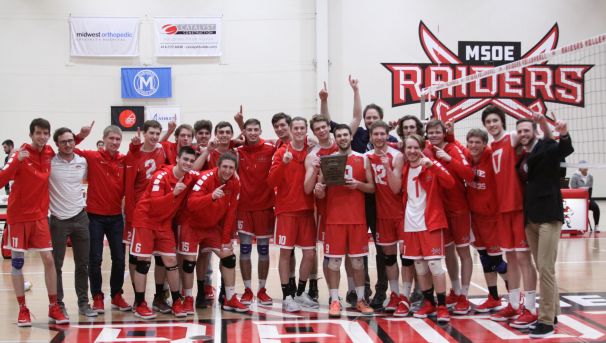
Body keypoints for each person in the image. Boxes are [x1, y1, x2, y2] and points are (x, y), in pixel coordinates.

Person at [0, 118, 68, 326]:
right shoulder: (19, 154)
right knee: (18, 262)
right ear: (31, 134)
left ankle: (53, 306)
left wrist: (80, 136)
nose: (42, 136)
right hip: (18, 218)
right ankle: (23, 309)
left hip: (40, 217)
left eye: (45, 133)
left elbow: (69, 147)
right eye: (38, 133)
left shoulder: (49, 153)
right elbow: (2, 179)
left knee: (49, 260)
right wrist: (16, 161)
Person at [516, 115, 573, 338]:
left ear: (535, 132)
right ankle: (554, 312)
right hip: (531, 218)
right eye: (519, 131)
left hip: (549, 215)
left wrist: (557, 130)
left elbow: (563, 148)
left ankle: (546, 322)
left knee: (546, 268)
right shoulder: (523, 157)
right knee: (543, 268)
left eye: (526, 131)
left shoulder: (546, 148)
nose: (523, 134)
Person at [482, 105, 538, 327]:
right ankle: (514, 304)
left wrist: (538, 125)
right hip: (502, 210)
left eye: (495, 120)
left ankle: (531, 307)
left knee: (524, 258)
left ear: (502, 121)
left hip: (518, 207)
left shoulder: (512, 137)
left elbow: (531, 137)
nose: (492, 124)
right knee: (511, 259)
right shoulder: (491, 145)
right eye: (488, 122)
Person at [130, 146, 199, 319]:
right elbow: (154, 205)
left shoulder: (189, 176)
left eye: (191, 161)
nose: (188, 163)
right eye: (185, 159)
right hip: (145, 220)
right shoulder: (160, 176)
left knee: (171, 260)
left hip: (164, 223)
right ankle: (139, 304)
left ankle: (177, 301)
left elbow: (206, 174)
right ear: (177, 159)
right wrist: (174, 194)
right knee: (143, 262)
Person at [314, 124, 376, 317]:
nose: (342, 138)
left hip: (357, 219)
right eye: (339, 135)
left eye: (345, 135)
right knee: (333, 263)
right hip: (334, 219)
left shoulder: (363, 159)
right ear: (335, 138)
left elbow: (372, 188)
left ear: (350, 137)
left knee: (357, 263)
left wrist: (357, 185)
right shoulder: (327, 161)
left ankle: (359, 299)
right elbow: (321, 190)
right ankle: (334, 300)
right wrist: (320, 190)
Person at [75, 125, 131, 314]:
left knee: (119, 258)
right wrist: (80, 136)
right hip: (94, 217)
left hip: (116, 217)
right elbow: (70, 147)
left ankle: (116, 295)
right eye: (112, 139)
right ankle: (97, 296)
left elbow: (141, 157)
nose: (115, 142)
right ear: (104, 139)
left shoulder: (124, 160)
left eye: (118, 139)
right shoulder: (92, 156)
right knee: (95, 258)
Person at [184, 152, 248, 312]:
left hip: (212, 227)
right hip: (192, 225)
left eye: (231, 168)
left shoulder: (234, 183)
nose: (227, 171)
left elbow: (231, 212)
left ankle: (230, 298)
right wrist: (211, 197)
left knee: (229, 258)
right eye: (225, 167)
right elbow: (191, 204)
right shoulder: (206, 178)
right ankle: (191, 297)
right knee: (189, 262)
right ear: (218, 167)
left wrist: (226, 239)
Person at [400, 134, 454, 323]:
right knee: (420, 266)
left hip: (430, 223)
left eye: (416, 147)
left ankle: (442, 306)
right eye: (409, 148)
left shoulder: (430, 166)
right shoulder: (406, 168)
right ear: (405, 150)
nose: (412, 151)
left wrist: (434, 165)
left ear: (422, 148)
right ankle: (429, 302)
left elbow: (450, 182)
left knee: (435, 265)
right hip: (410, 225)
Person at [267, 117, 319, 312]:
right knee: (285, 253)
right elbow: (271, 182)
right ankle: (287, 296)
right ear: (290, 130)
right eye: (295, 128)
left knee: (309, 253)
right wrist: (283, 164)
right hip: (287, 210)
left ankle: (300, 292)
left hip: (307, 209)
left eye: (301, 128)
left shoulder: (311, 151)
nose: (298, 131)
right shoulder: (281, 152)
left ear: (306, 130)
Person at [425, 119, 474, 315]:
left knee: (463, 252)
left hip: (459, 210)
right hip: (439, 211)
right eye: (431, 133)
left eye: (438, 132)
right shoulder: (427, 149)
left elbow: (468, 174)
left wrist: (448, 158)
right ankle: (455, 289)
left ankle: (465, 295)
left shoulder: (453, 149)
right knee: (448, 253)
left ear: (444, 133)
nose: (434, 135)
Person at [49, 127, 97, 318]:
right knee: (56, 265)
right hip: (58, 220)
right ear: (57, 144)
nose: (68, 144)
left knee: (83, 264)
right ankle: (58, 305)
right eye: (63, 142)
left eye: (71, 140)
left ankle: (84, 303)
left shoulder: (83, 161)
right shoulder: (50, 162)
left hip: (80, 217)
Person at [124, 121, 170, 314]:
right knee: (137, 257)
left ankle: (159, 297)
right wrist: (132, 214)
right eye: (151, 133)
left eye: (157, 133)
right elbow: (128, 186)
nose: (154, 136)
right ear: (143, 133)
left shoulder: (163, 150)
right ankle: (138, 299)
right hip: (140, 213)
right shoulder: (134, 154)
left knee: (161, 258)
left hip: (161, 212)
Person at [365, 121, 409, 315]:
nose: (380, 137)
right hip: (382, 216)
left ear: (387, 135)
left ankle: (406, 298)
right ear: (371, 136)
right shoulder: (366, 158)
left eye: (383, 134)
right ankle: (395, 295)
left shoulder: (397, 156)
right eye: (376, 134)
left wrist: (387, 166)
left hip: (401, 215)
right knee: (389, 259)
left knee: (407, 258)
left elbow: (396, 187)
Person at [464, 128, 508, 312]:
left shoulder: (490, 156)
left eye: (477, 142)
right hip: (475, 218)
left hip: (492, 218)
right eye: (471, 142)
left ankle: (515, 298)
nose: (473, 146)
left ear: (484, 144)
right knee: (484, 259)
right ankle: (494, 297)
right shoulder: (466, 156)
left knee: (498, 261)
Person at [235, 117, 276, 306]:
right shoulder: (238, 152)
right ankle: (247, 289)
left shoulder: (270, 149)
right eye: (248, 130)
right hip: (244, 208)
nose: (252, 133)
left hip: (265, 208)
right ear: (244, 132)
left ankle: (262, 289)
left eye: (255, 129)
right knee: (244, 250)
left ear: (260, 131)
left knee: (263, 250)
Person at [570, 161, 600, 232]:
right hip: (577, 199)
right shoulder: (574, 177)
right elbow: (573, 191)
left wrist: (588, 199)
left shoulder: (590, 177)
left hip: (587, 198)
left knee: (596, 207)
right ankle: (579, 226)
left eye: (586, 166)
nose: (585, 167)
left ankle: (596, 226)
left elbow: (590, 189)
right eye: (583, 166)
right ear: (579, 168)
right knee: (580, 209)